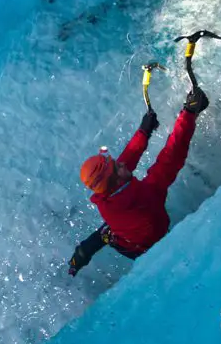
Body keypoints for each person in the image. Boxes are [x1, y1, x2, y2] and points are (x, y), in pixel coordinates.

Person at [67, 88, 210, 276]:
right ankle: (82, 254)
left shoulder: (104, 194)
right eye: (117, 167)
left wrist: (144, 131)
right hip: (146, 247)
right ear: (116, 180)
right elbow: (172, 155)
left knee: (104, 236)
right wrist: (189, 113)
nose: (121, 164)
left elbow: (126, 160)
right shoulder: (147, 196)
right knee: (106, 236)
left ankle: (78, 258)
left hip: (121, 234)